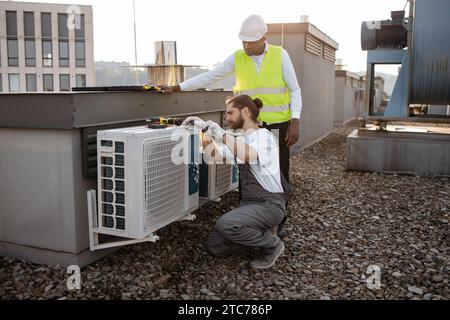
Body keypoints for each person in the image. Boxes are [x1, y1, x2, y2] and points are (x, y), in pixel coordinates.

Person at [162, 14, 302, 238]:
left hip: (278, 125)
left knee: (278, 173)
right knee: (245, 169)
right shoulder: (237, 57)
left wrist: (295, 121)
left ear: (264, 38)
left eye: (251, 41)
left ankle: (279, 217)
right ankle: (248, 217)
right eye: (243, 41)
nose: (246, 45)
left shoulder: (280, 55)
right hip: (249, 126)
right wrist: (178, 87)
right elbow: (210, 77)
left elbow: (295, 89)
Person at [191, 95, 290, 269]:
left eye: (230, 113)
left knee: (225, 225)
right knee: (215, 247)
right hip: (249, 205)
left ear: (245, 111)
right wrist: (203, 132)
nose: (227, 117)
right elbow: (213, 155)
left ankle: (273, 244)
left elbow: (247, 155)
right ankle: (258, 232)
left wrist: (222, 134)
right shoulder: (241, 140)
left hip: (270, 205)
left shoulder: (264, 136)